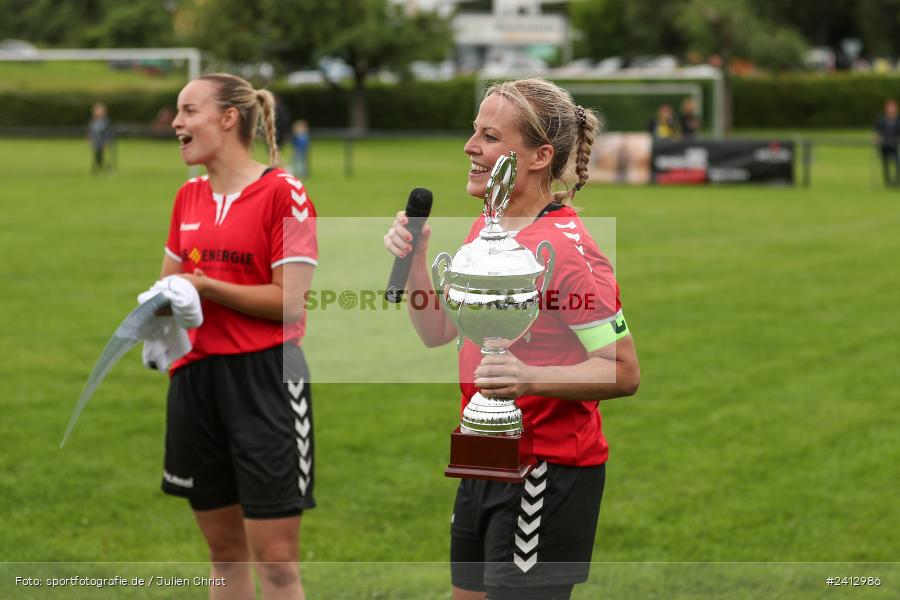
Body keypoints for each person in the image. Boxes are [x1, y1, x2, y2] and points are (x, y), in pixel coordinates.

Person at [383, 78, 640, 600]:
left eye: (490, 137)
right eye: (474, 132)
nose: (470, 147)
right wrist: (415, 261)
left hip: (546, 471)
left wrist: (528, 377)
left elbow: (623, 369)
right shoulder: (487, 228)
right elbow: (438, 332)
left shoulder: (567, 251)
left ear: (540, 156)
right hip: (483, 458)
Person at [159, 72, 318, 598]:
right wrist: (156, 317)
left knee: (275, 561)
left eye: (188, 110)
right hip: (196, 379)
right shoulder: (187, 197)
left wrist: (204, 286)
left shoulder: (285, 194)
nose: (177, 123)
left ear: (228, 118)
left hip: (266, 379)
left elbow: (289, 300)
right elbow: (170, 285)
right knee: (224, 555)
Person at [874, 99, 899, 187]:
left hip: (895, 145)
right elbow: (877, 131)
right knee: (886, 163)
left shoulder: (898, 120)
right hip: (884, 145)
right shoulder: (881, 119)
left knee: (897, 163)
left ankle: (897, 181)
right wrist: (876, 138)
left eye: (893, 108)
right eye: (890, 108)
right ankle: (888, 182)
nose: (891, 109)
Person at [88, 102, 113, 174]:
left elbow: (108, 132)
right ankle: (97, 169)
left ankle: (109, 169)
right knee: (97, 155)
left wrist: (107, 141)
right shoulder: (93, 121)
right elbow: (91, 131)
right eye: (96, 111)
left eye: (99, 110)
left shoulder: (106, 121)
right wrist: (90, 139)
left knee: (106, 156)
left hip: (104, 141)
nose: (97, 112)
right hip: (96, 141)